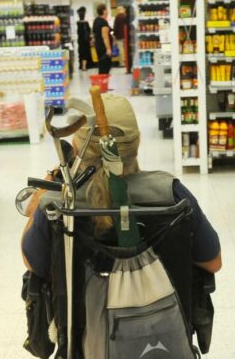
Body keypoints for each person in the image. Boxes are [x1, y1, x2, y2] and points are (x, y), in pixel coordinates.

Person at [21, 94, 222, 279]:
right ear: (137, 143)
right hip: (160, 315)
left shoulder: (56, 205)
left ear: (74, 149)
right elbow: (213, 262)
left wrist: (49, 185)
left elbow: (33, 264)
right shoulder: (171, 193)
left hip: (83, 317)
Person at [92, 4, 112, 75]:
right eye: (106, 9)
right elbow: (105, 36)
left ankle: (102, 83)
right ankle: (102, 83)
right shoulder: (103, 22)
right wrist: (108, 49)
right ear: (104, 11)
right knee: (105, 67)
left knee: (101, 66)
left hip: (98, 47)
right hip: (104, 48)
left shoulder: (96, 21)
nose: (107, 11)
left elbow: (94, 34)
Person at [76, 7, 91, 71]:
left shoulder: (77, 23)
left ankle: (81, 65)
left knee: (81, 53)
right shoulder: (85, 23)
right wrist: (89, 38)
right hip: (85, 40)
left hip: (80, 40)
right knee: (85, 53)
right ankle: (84, 67)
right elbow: (88, 32)